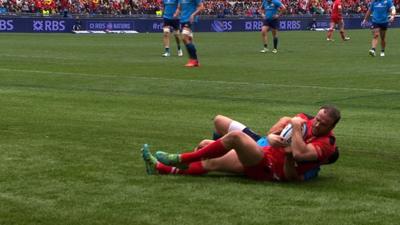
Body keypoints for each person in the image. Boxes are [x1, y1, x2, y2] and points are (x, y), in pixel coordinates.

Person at [141, 105, 341, 182]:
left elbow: (296, 164)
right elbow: (277, 129)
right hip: (263, 149)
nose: (316, 125)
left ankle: (179, 158)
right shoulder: (305, 119)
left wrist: (295, 131)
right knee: (211, 159)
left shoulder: (326, 145)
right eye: (317, 119)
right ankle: (159, 167)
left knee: (234, 139)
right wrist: (272, 138)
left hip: (269, 168)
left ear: (331, 127)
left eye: (322, 124)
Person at [173, 0, 204, 67]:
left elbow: (201, 7)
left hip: (190, 20)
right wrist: (176, 14)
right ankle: (195, 60)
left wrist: (193, 15)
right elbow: (179, 8)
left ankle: (193, 60)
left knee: (184, 37)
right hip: (182, 20)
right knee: (188, 40)